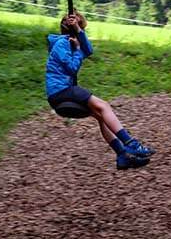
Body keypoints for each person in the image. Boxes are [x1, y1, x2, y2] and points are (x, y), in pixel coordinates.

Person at [46, 12, 156, 170]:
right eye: (81, 28)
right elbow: (71, 69)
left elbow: (88, 50)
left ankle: (122, 156)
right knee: (104, 106)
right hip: (60, 91)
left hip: (62, 90)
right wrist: (77, 50)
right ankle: (131, 144)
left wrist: (78, 31)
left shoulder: (70, 41)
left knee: (101, 116)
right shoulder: (62, 43)